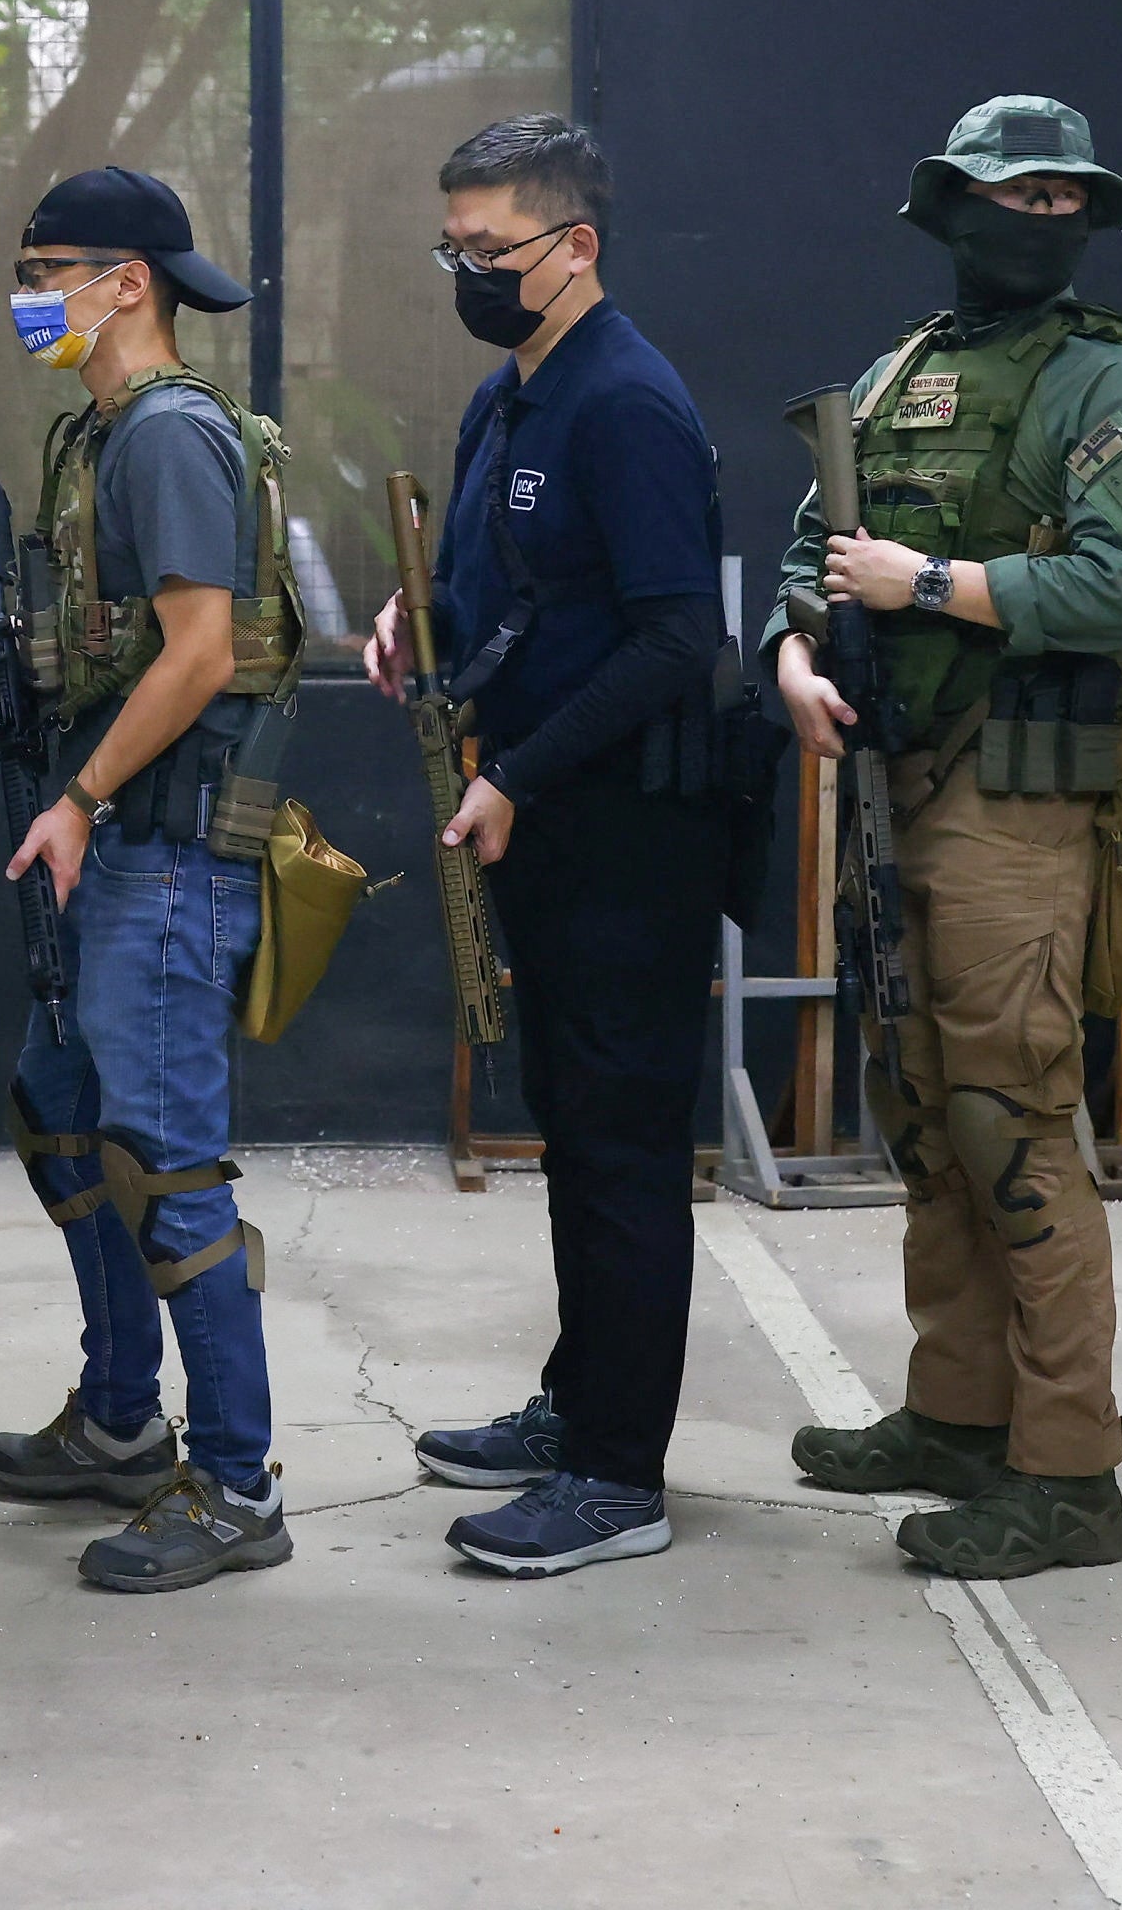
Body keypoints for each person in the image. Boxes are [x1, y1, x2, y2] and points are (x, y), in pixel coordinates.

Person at [769, 95, 1122, 1580]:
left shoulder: (1104, 384)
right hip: (895, 790)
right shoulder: (897, 378)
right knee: (929, 1111)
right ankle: (959, 1414)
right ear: (952, 208)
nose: (1046, 219)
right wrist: (794, 655)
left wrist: (931, 583)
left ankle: (1069, 1472)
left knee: (1013, 1120)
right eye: (1018, 196)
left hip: (1015, 801)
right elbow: (807, 555)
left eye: (1067, 197)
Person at [369, 115, 729, 1577]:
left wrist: (517, 769)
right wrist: (420, 621)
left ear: (576, 248)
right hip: (540, 816)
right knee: (574, 1131)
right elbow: (504, 585)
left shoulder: (626, 403)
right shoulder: (508, 398)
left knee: (625, 1145)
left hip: (626, 824)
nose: (465, 270)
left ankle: (618, 1475)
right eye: (450, 245)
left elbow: (673, 638)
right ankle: (581, 1403)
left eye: (490, 248)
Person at [0, 166, 302, 1592]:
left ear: (130, 283)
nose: (31, 290)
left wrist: (80, 795)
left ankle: (233, 1482)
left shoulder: (168, 438)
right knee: (67, 1118)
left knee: (170, 1169)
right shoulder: (93, 433)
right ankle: (121, 1418)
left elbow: (201, 655)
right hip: (110, 849)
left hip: (162, 854)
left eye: (54, 266)